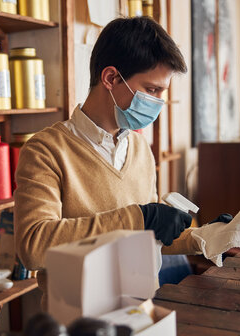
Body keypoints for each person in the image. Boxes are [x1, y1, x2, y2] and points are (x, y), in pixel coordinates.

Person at [15, 16, 203, 308]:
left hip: (139, 311)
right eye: (152, 90)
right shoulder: (45, 151)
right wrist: (140, 218)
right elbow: (34, 246)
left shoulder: (140, 148)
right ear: (111, 78)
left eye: (162, 93)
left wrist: (205, 238)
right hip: (77, 324)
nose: (158, 103)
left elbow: (147, 237)